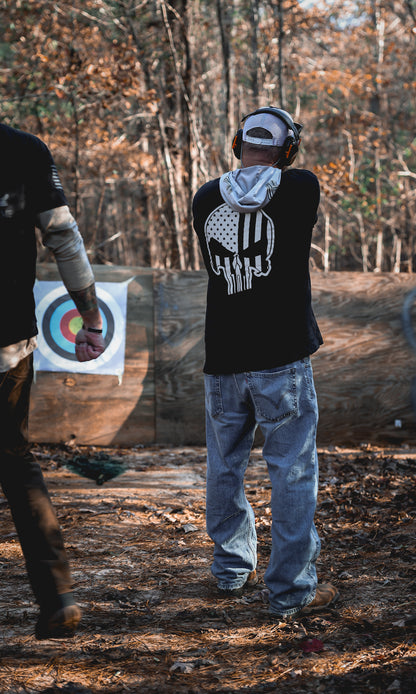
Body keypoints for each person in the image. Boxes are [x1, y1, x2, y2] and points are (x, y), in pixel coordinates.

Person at [192, 106, 338, 619]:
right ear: (288, 150)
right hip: (282, 360)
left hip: (224, 358)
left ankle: (232, 570)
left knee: (224, 468)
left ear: (237, 143)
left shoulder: (206, 197)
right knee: (293, 472)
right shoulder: (300, 188)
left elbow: (218, 266)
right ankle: (291, 591)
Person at [0, 122, 106, 639]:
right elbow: (63, 235)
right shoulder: (24, 149)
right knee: (15, 461)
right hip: (8, 341)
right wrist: (90, 315)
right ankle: (57, 595)